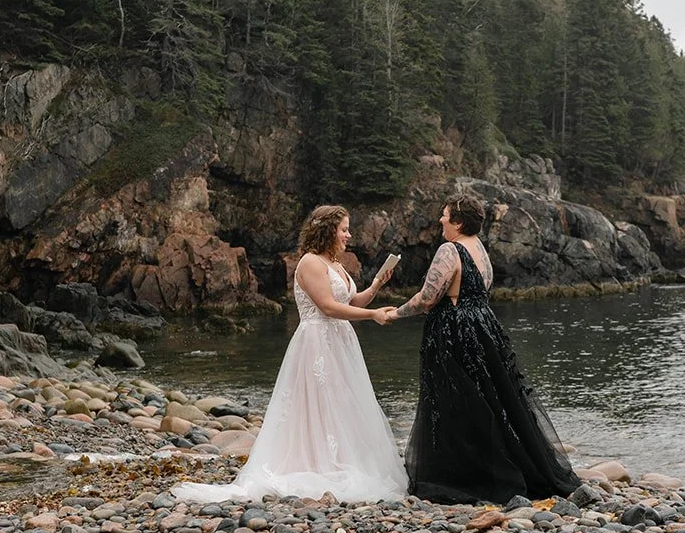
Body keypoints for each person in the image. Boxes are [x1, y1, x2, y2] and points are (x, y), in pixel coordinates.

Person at [172, 205, 406, 503]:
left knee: (341, 402)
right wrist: (372, 315)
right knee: (316, 404)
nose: (349, 235)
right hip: (317, 341)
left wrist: (375, 286)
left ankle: (338, 460)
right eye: (344, 229)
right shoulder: (310, 263)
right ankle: (314, 464)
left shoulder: (336, 263)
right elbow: (328, 307)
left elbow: (351, 299)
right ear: (327, 231)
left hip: (339, 341)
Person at [392, 193, 582, 504]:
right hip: (483, 327)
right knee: (493, 400)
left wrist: (394, 313)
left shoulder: (449, 250)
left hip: (453, 332)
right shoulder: (480, 249)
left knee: (453, 401)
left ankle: (458, 476)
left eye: (445, 215)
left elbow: (427, 298)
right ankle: (501, 467)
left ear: (457, 221)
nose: (440, 220)